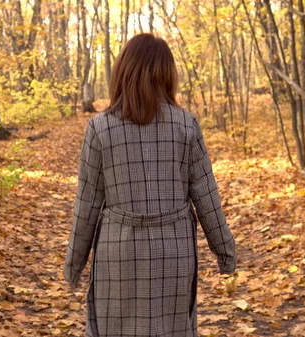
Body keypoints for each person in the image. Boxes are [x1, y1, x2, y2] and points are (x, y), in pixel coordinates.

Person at [64, 33, 236, 337]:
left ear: (122, 72)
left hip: (118, 252)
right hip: (174, 250)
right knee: (172, 329)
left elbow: (87, 204)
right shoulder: (186, 125)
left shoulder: (100, 129)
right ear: (167, 74)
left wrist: (73, 266)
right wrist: (226, 252)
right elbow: (207, 196)